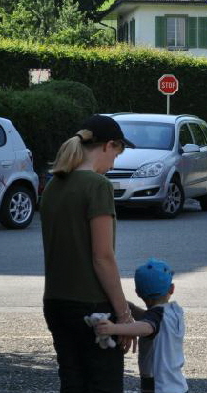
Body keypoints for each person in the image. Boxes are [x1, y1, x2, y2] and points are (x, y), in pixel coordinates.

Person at [41, 114, 137, 392]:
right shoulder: (98, 186)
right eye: (117, 153)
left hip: (56, 302)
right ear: (109, 145)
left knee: (72, 383)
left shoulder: (52, 186)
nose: (114, 161)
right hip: (92, 308)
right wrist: (123, 315)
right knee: (103, 384)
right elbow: (102, 257)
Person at [95, 259, 187, 393]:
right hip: (178, 384)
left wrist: (113, 328)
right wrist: (128, 307)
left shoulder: (155, 318)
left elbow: (146, 327)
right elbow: (148, 318)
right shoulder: (173, 311)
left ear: (138, 292)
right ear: (172, 289)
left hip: (158, 386)